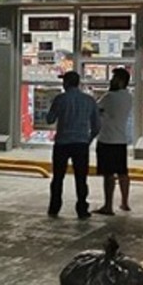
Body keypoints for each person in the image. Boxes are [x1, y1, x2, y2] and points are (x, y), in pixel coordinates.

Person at [46, 71, 100, 219]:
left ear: (67, 83)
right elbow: (96, 126)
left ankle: (54, 207)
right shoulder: (89, 100)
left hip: (62, 143)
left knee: (58, 177)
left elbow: (49, 120)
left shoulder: (60, 99)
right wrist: (88, 140)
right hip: (81, 144)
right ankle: (82, 209)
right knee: (81, 178)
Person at [93, 68, 134, 216]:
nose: (111, 80)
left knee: (108, 175)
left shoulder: (109, 97)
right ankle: (125, 202)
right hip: (121, 140)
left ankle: (108, 205)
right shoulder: (128, 97)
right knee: (123, 172)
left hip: (107, 139)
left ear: (121, 81)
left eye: (114, 77)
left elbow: (96, 109)